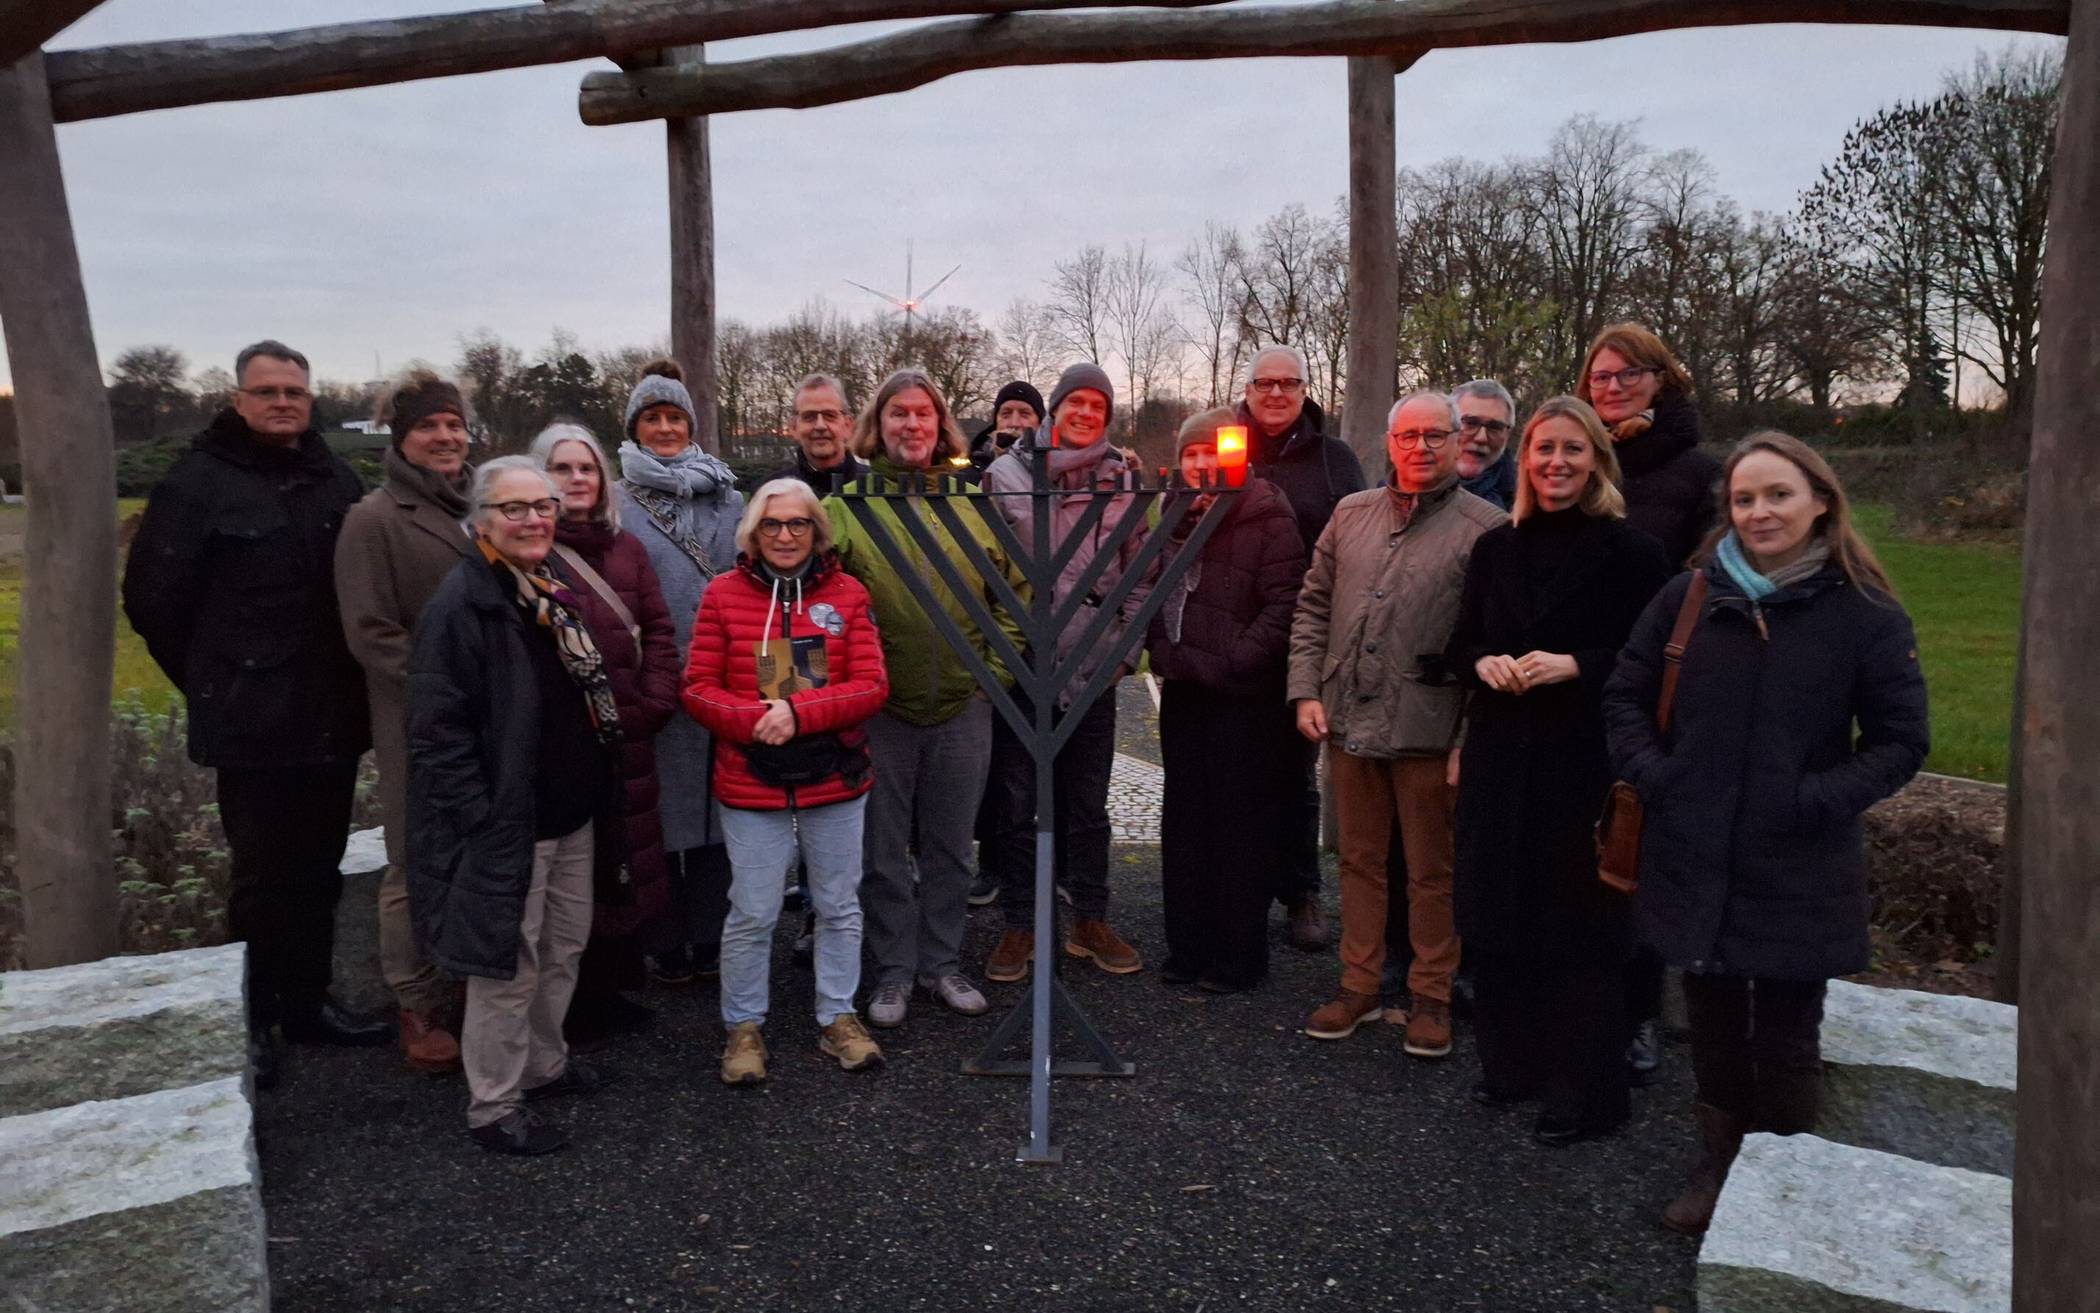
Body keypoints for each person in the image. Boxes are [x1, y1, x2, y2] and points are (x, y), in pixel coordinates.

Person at [1604, 431, 1927, 1232]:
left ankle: (1784, 1185)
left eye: (1778, 494)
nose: (1759, 511)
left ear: (1820, 499)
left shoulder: (1864, 611)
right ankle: (1716, 1163)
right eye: (1745, 498)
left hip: (1800, 860)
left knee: (1786, 1030)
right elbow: (1626, 694)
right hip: (1695, 846)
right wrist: (1660, 776)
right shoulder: (1691, 595)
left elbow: (1900, 738)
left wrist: (1809, 798)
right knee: (1711, 1019)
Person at [124, 339, 386, 1087]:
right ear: (238, 398)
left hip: (329, 713)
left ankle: (309, 1002)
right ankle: (258, 1018)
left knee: (319, 868)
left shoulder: (330, 476)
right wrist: (217, 681)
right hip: (251, 722)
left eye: (294, 392)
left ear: (310, 400)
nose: (282, 403)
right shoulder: (199, 484)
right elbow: (152, 600)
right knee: (263, 878)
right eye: (267, 391)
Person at [1445, 397, 1673, 1145]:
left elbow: (1659, 666)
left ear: (1597, 462)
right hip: (1501, 759)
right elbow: (1463, 644)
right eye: (1545, 450)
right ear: (1527, 460)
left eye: (1573, 449)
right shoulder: (1497, 550)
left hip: (1584, 766)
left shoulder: (1632, 555)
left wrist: (1579, 663)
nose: (1556, 463)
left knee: (1579, 931)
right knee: (1500, 917)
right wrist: (1487, 662)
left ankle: (1586, 1090)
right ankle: (1512, 1064)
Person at [408, 457, 622, 1156]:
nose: (534, 520)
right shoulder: (463, 605)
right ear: (480, 521)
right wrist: (481, 815)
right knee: (507, 963)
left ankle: (543, 1063)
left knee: (563, 947)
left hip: (569, 810)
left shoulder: (546, 589)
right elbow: (438, 730)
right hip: (511, 821)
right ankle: (495, 1103)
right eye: (515, 508)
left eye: (543, 506)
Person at [1287, 390, 1506, 1057]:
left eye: (1434, 436)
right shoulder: (1350, 514)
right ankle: (1359, 982)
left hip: (1429, 728)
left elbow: (1491, 642)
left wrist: (1469, 738)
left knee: (1432, 869)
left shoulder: (1487, 529)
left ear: (1455, 440)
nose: (1420, 448)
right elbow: (1313, 607)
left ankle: (1431, 994)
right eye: (1408, 436)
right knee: (1358, 860)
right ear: (1390, 442)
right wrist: (1305, 691)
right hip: (1349, 718)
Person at [826, 368, 1025, 1029]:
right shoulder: (847, 510)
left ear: (942, 426)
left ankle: (941, 963)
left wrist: (987, 672)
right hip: (881, 709)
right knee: (882, 850)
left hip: (963, 704)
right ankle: (892, 972)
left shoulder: (974, 507)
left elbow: (1016, 597)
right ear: (877, 425)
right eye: (898, 414)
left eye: (924, 414)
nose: (912, 424)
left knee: (950, 846)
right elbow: (819, 604)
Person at [684, 479, 891, 1083]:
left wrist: (800, 712)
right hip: (753, 781)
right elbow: (698, 687)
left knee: (837, 903)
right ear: (753, 530)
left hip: (835, 778)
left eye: (798, 523)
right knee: (751, 909)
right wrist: (759, 721)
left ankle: (838, 1016)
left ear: (816, 531)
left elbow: (871, 683)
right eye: (772, 524)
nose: (784, 535)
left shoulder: (848, 595)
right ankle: (743, 1027)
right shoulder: (722, 596)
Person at [1575, 322, 1720, 1084]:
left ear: (1661, 379)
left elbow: (1704, 577)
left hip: (1650, 684)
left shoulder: (1696, 470)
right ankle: (1574, 992)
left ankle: (1639, 1013)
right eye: (1600, 376)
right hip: (1571, 677)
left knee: (1634, 852)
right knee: (1574, 847)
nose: (1613, 386)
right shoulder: (1580, 459)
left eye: (1628, 373)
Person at [981, 363, 1151, 984]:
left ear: (1108, 416)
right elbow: (986, 569)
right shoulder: (1005, 475)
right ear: (1055, 408)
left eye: (1097, 405)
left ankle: (1090, 918)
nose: (1084, 413)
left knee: (1088, 801)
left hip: (1095, 662)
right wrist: (998, 651)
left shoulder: (1124, 479)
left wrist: (1123, 655)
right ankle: (1021, 923)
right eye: (1074, 402)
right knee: (1018, 800)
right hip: (1024, 658)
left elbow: (1140, 576)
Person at [334, 368, 476, 1074]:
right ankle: (414, 1000)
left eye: (453, 424)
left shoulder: (476, 506)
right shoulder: (376, 519)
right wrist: (447, 689)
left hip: (490, 715)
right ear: (401, 435)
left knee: (480, 846)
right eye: (429, 425)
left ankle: (473, 979)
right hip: (420, 719)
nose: (445, 436)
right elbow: (371, 633)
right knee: (413, 857)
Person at [1147, 408, 1307, 993]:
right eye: (1192, 454)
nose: (1202, 463)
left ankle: (1239, 955)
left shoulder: (1266, 514)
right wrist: (1164, 652)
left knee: (1241, 825)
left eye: (1213, 451)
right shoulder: (1168, 517)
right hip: (1185, 692)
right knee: (1186, 819)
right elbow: (1149, 590)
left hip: (1245, 698)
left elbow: (1287, 602)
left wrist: (1237, 658)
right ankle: (1187, 948)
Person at [533, 422, 680, 1047]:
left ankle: (611, 987)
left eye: (586, 468)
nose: (576, 479)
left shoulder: (627, 548)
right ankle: (570, 1004)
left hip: (630, 732)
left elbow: (659, 630)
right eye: (562, 469)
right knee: (575, 872)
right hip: (565, 742)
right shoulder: (530, 550)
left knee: (624, 857)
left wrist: (652, 703)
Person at [612, 359, 744, 985]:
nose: (664, 428)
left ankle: (714, 935)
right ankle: (663, 937)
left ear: (691, 424)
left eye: (674, 417)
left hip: (722, 676)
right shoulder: (617, 504)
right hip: (654, 678)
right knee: (658, 815)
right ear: (635, 427)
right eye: (652, 418)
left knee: (720, 812)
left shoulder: (728, 495)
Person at [1235, 344, 1367, 952]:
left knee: (1296, 776)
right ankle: (1241, 890)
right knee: (1239, 774)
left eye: (1289, 383)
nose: (1276, 394)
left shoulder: (1334, 460)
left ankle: (1301, 891)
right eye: (1265, 383)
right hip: (1234, 635)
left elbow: (1359, 541)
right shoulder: (1222, 445)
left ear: (1305, 389)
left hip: (1304, 638)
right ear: (1249, 389)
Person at [765, 374, 868, 492]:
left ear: (848, 426)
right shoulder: (771, 493)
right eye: (809, 417)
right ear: (793, 427)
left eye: (829, 416)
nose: (820, 426)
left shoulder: (877, 488)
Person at [1453, 379, 1519, 512]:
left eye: (1495, 427)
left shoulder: (1527, 500)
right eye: (1470, 423)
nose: (1481, 438)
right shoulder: (1410, 491)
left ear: (1507, 435)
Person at [967, 379, 1046, 472]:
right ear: (996, 423)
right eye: (1006, 414)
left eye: (1025, 414)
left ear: (1040, 423)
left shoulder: (1059, 474)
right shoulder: (968, 478)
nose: (1014, 423)